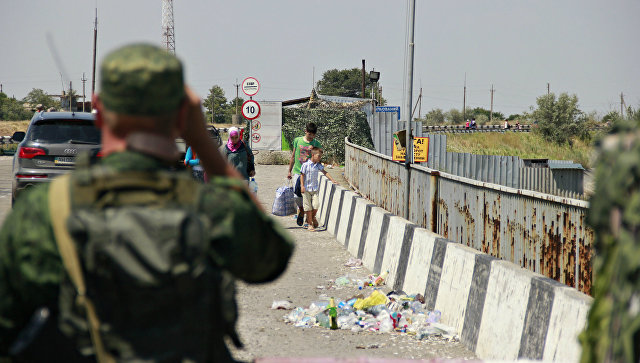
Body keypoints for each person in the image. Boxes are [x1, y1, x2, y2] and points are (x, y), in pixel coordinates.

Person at [0, 43, 294, 362]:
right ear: (182, 114)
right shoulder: (210, 208)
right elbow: (270, 256)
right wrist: (204, 144)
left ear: (98, 106)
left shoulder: (45, 211)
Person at [287, 122, 322, 226]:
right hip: (298, 172)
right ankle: (301, 210)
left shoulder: (316, 143)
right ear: (305, 131)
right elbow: (293, 156)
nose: (311, 137)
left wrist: (313, 151)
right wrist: (289, 170)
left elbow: (319, 158)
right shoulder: (297, 140)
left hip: (310, 173)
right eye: (309, 134)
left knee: (309, 197)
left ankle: (309, 218)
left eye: (313, 135)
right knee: (297, 195)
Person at [299, 147, 336, 231]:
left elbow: (325, 172)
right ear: (313, 155)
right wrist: (302, 186)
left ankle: (312, 217)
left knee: (316, 206)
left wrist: (333, 180)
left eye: (320, 156)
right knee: (308, 207)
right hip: (306, 189)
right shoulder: (305, 165)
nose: (320, 158)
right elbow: (302, 175)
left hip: (315, 189)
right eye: (318, 156)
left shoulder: (318, 165)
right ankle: (310, 224)